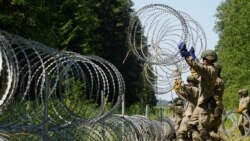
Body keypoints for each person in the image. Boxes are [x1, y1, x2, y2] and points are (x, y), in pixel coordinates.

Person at [178, 42, 218, 141]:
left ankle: (217, 139)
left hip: (205, 105)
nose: (203, 60)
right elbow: (198, 72)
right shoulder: (209, 70)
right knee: (191, 125)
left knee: (203, 130)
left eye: (204, 59)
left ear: (209, 59)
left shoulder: (210, 70)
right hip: (201, 105)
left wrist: (187, 55)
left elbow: (198, 67)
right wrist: (193, 57)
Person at [174, 75, 199, 141]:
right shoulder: (191, 92)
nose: (189, 83)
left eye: (191, 82)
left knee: (180, 133)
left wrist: (179, 81)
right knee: (191, 134)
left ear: (194, 82)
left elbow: (187, 88)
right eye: (188, 81)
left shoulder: (195, 90)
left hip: (190, 116)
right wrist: (177, 90)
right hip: (192, 116)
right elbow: (183, 94)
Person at [209, 63, 225, 141]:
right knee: (214, 129)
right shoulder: (219, 79)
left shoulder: (216, 80)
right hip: (217, 106)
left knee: (206, 129)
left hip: (215, 106)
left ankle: (220, 139)